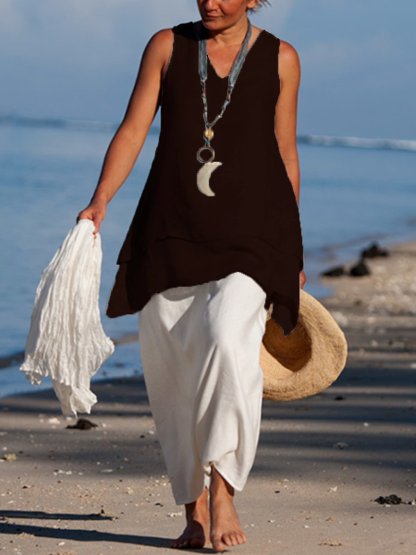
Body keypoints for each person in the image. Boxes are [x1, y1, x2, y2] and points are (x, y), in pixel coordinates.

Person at [78, 0, 306, 550]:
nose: (210, 1)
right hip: (170, 229)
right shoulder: (167, 46)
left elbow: (285, 152)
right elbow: (134, 129)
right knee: (172, 366)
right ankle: (194, 508)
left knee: (229, 340)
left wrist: (291, 247)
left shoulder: (281, 58)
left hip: (252, 237)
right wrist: (100, 200)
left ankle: (223, 489)